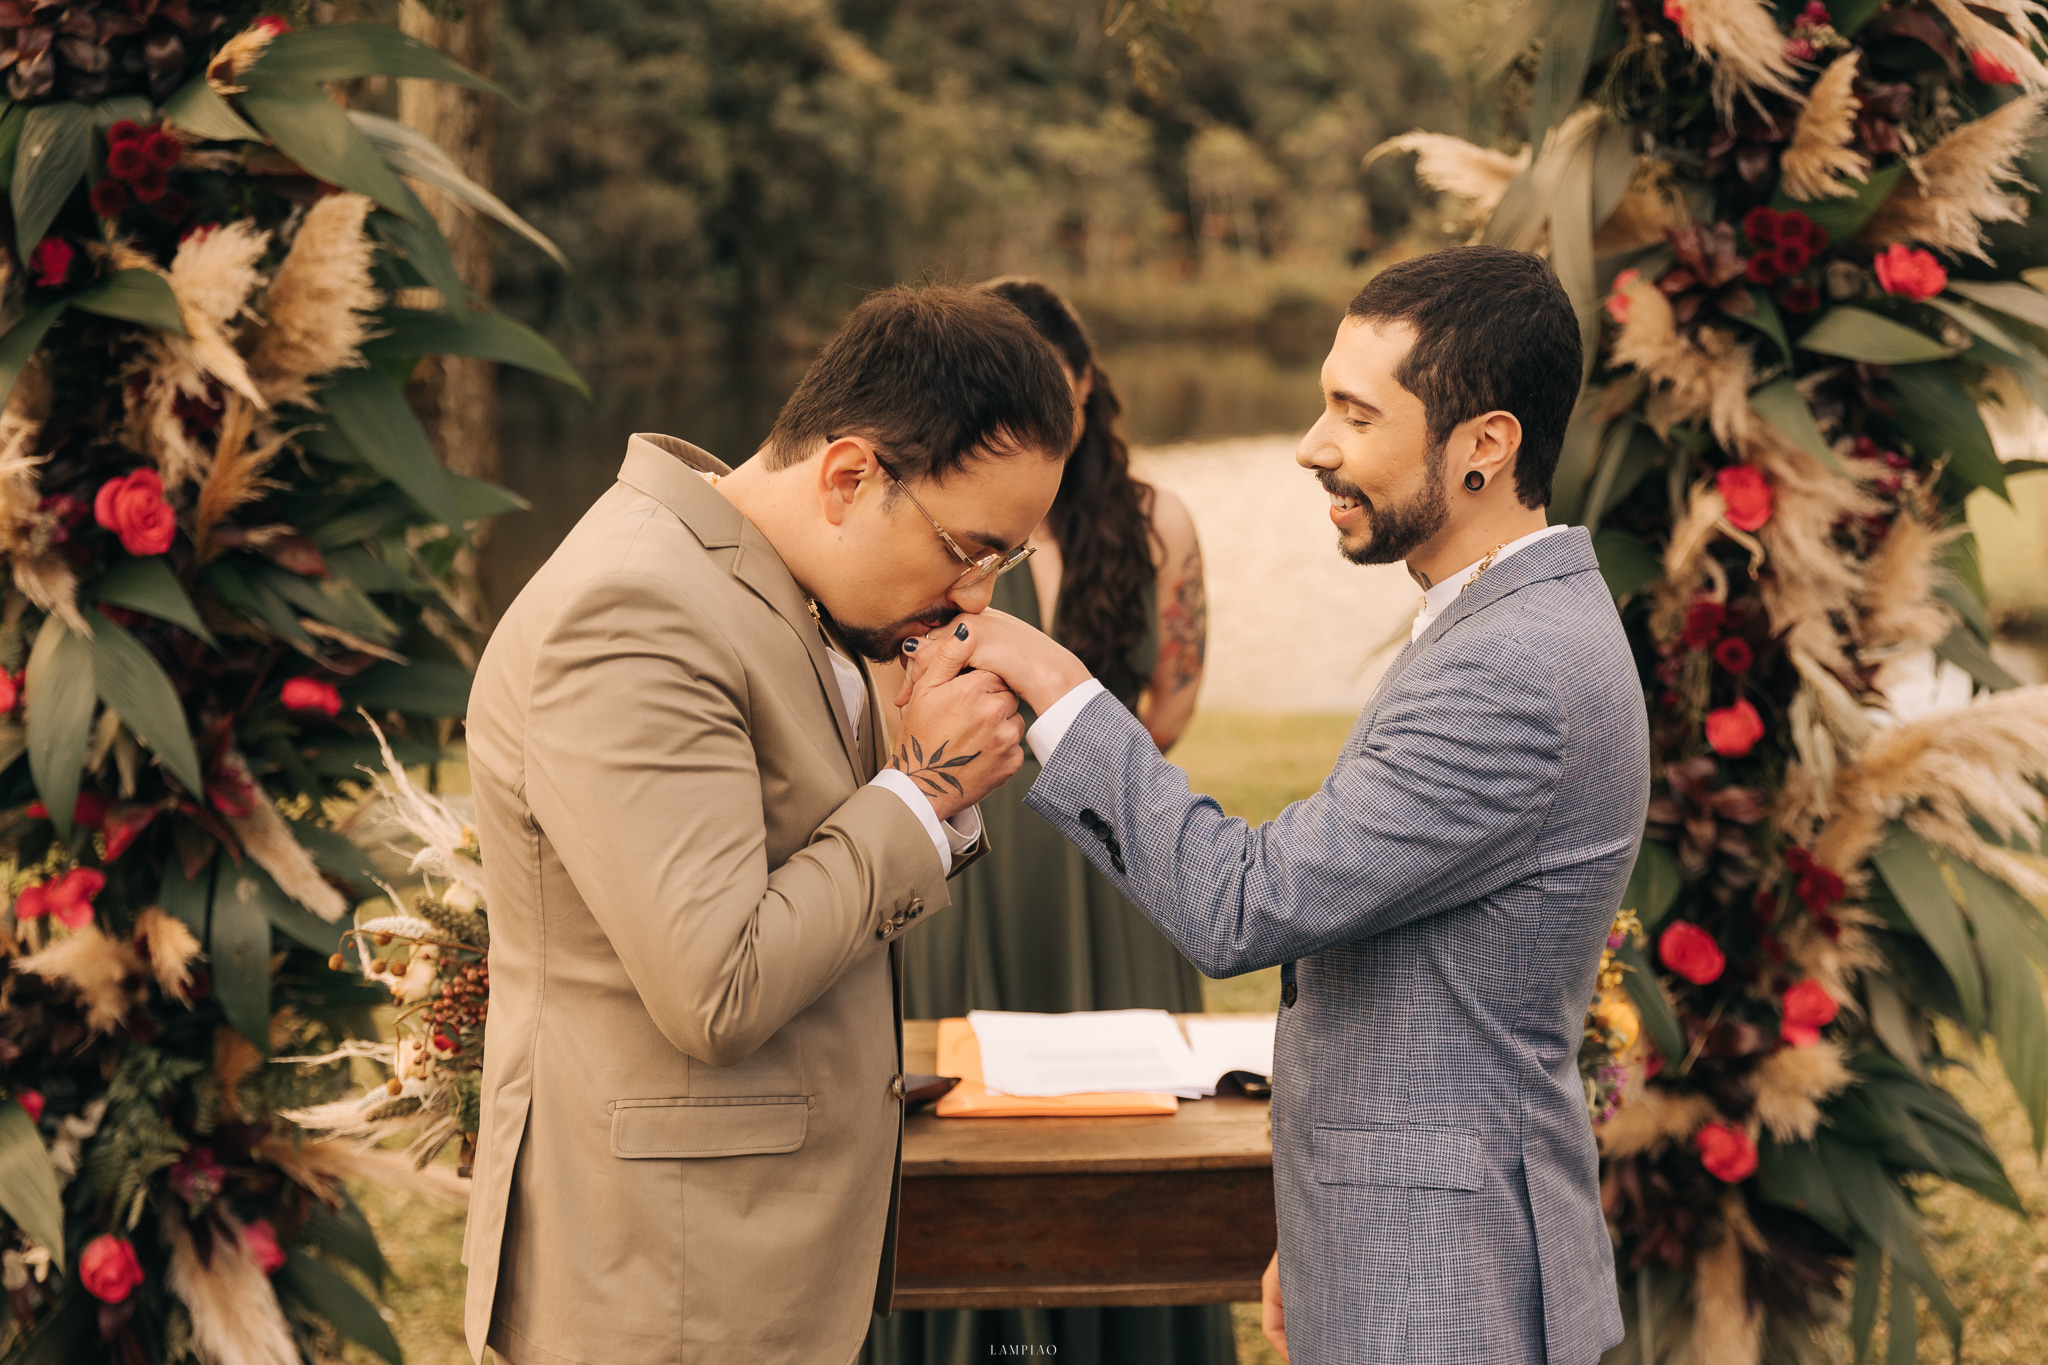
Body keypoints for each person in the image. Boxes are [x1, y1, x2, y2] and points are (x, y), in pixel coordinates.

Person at [900, 246, 1650, 1364]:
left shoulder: (1511, 670)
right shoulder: (1496, 626)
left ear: (1484, 445)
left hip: (1443, 1277)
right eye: (1319, 407)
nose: (1313, 448)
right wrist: (1321, 1226)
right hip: (1395, 1230)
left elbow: (1242, 905)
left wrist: (1052, 681)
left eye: (1355, 414)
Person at [460, 283, 1077, 1365]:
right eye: (968, 548)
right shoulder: (635, 611)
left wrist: (911, 765)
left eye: (1002, 563)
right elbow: (718, 985)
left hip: (755, 1259)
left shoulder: (776, 584)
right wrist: (923, 794)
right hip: (669, 1290)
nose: (977, 596)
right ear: (847, 477)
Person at [865, 279, 1229, 1365]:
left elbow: (1169, 707)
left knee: (1127, 1127)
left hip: (1110, 858)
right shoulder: (935, 531)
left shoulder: (1158, 520)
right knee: (961, 1129)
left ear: (1081, 385)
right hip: (963, 846)